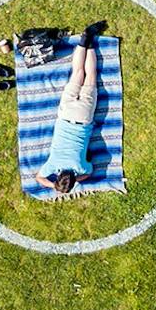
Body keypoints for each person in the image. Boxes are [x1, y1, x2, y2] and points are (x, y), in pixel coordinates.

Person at [34, 22, 109, 195]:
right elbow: (39, 178)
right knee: (77, 73)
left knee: (90, 76)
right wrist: (54, 185)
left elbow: (88, 173)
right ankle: (83, 41)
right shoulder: (51, 165)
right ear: (57, 177)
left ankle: (90, 43)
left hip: (82, 117)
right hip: (65, 113)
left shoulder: (79, 166)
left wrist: (76, 179)